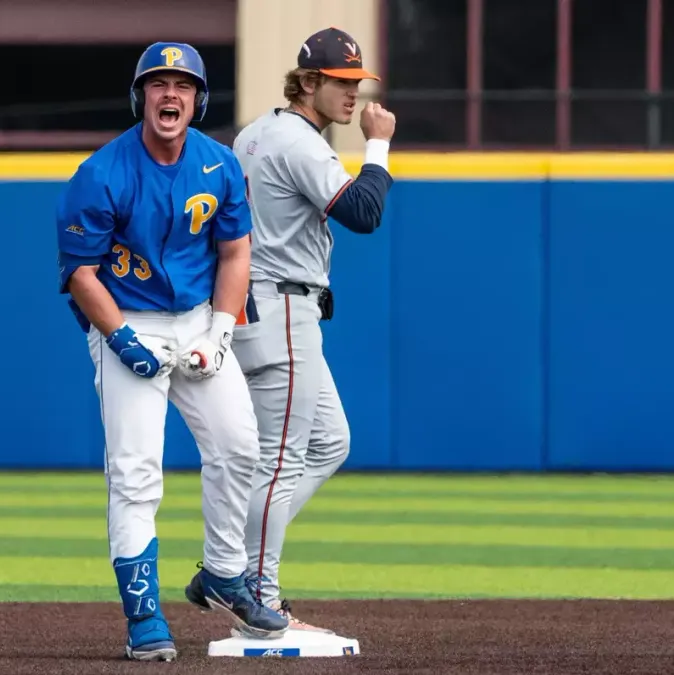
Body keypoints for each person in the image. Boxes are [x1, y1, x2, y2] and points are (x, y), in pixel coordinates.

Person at [55, 41, 289, 661]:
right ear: (141, 97)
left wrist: (219, 329)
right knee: (137, 473)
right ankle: (143, 615)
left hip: (196, 320)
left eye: (182, 86)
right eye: (158, 84)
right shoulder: (102, 172)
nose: (170, 94)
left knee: (240, 446)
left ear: (198, 99)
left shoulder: (218, 163)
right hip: (126, 316)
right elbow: (81, 272)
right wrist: (121, 338)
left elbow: (236, 252)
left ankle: (221, 573)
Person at [229, 26, 396, 634]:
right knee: (281, 460)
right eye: (341, 82)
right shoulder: (297, 142)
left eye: (357, 83)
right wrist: (377, 147)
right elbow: (363, 212)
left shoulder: (254, 133)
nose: (353, 95)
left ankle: (229, 571)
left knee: (330, 441)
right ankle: (254, 595)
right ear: (307, 82)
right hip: (281, 309)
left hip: (264, 304)